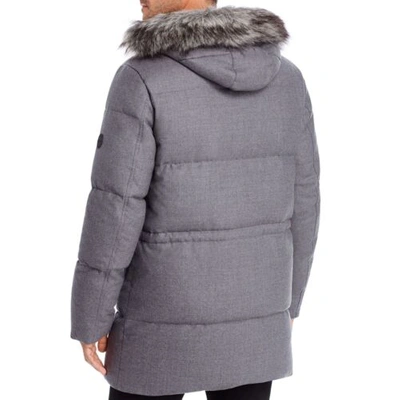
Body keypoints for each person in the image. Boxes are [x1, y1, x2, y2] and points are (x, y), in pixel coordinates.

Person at [70, 1, 321, 399]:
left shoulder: (141, 79)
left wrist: (91, 315)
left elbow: (115, 209)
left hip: (157, 328)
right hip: (256, 328)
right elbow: (305, 202)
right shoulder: (287, 79)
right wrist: (287, 307)